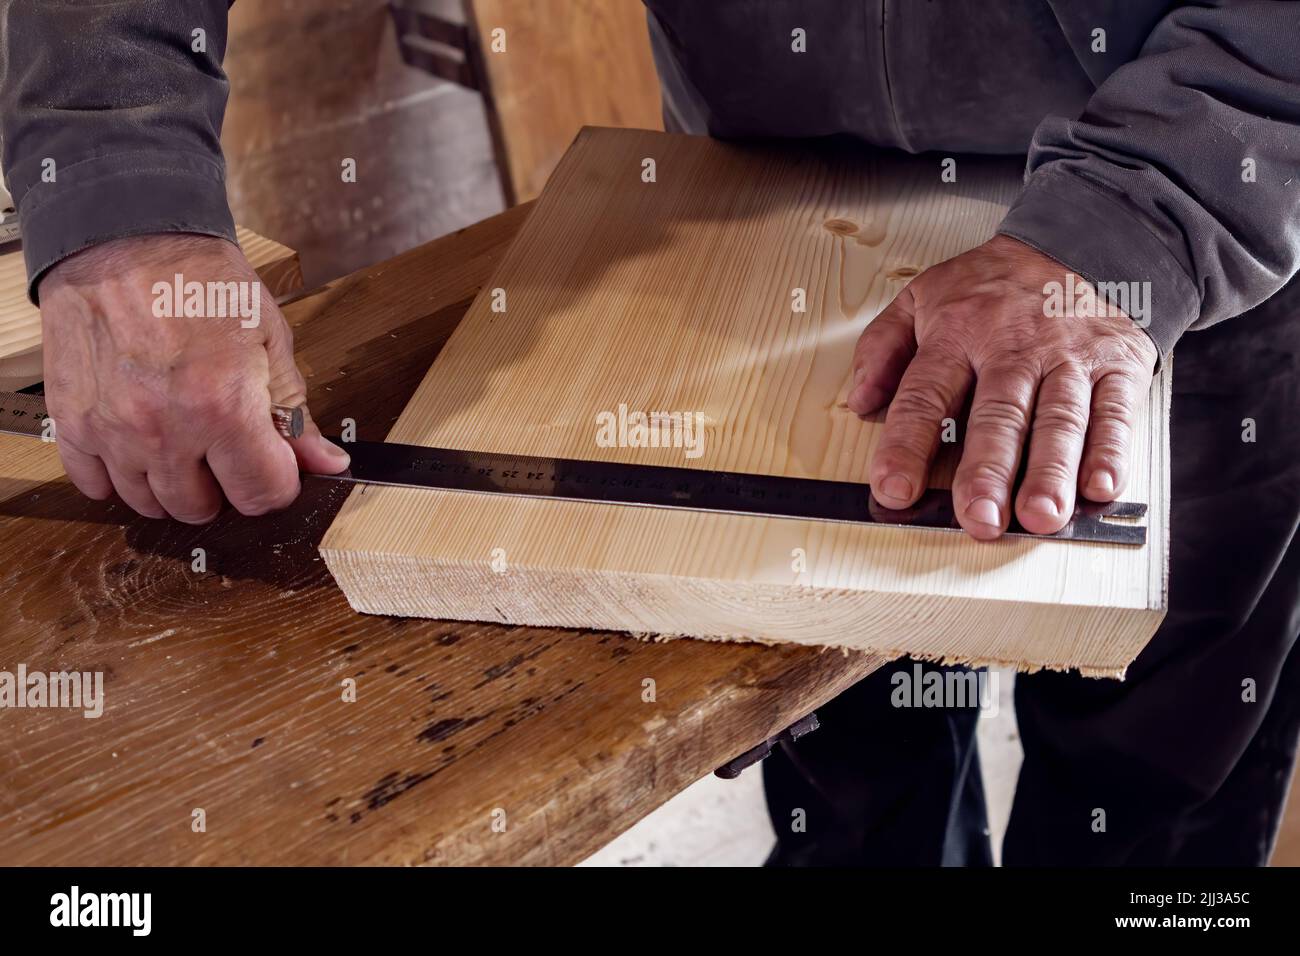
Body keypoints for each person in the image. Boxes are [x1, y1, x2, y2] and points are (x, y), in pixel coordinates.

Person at [1, 0, 1296, 865]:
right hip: (772, 193)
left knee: (1158, 795)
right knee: (853, 770)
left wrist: (1142, 225)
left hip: (1204, 215)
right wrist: (123, 194)